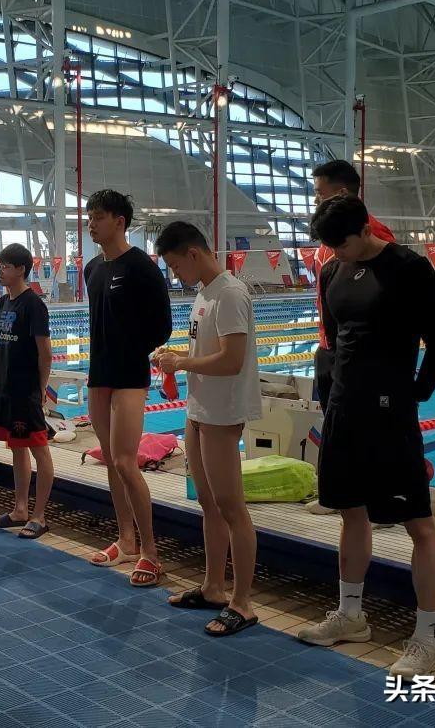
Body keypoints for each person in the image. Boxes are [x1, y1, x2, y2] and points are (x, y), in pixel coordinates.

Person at [296, 195, 435, 678]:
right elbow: (336, 341)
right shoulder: (331, 272)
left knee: (418, 524)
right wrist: (332, 398)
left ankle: (425, 641)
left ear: (366, 230)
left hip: (390, 418)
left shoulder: (409, 268)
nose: (335, 253)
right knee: (350, 513)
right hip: (344, 413)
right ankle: (351, 616)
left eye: (342, 244)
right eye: (329, 246)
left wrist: (414, 396)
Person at [154, 222, 261, 636]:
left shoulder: (230, 294)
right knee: (209, 504)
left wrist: (182, 362)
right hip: (199, 408)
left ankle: (242, 603)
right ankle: (214, 588)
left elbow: (232, 360)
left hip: (221, 412)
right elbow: (208, 351)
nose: (176, 274)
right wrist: (178, 355)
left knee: (232, 507)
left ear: (193, 254)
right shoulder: (205, 293)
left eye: (176, 265)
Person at [83, 190, 172, 587]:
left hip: (130, 375)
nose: (91, 224)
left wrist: (132, 350)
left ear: (119, 222)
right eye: (89, 217)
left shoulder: (141, 267)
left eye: (98, 217)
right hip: (98, 374)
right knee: (110, 460)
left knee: (125, 462)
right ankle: (126, 540)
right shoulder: (92, 269)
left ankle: (151, 552)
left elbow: (162, 326)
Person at [310, 160, 395, 413]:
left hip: (361, 356)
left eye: (320, 193)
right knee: (333, 425)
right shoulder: (330, 234)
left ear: (342, 193)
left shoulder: (373, 233)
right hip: (329, 347)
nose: (315, 200)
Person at [0, 243, 54, 540]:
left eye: (5, 266)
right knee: (16, 447)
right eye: (0, 265)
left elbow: (46, 353)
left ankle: (39, 516)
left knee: (40, 450)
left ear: (20, 270)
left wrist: (40, 389)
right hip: (7, 390)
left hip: (26, 390)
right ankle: (20, 510)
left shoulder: (33, 304)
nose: (0, 270)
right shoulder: (4, 302)